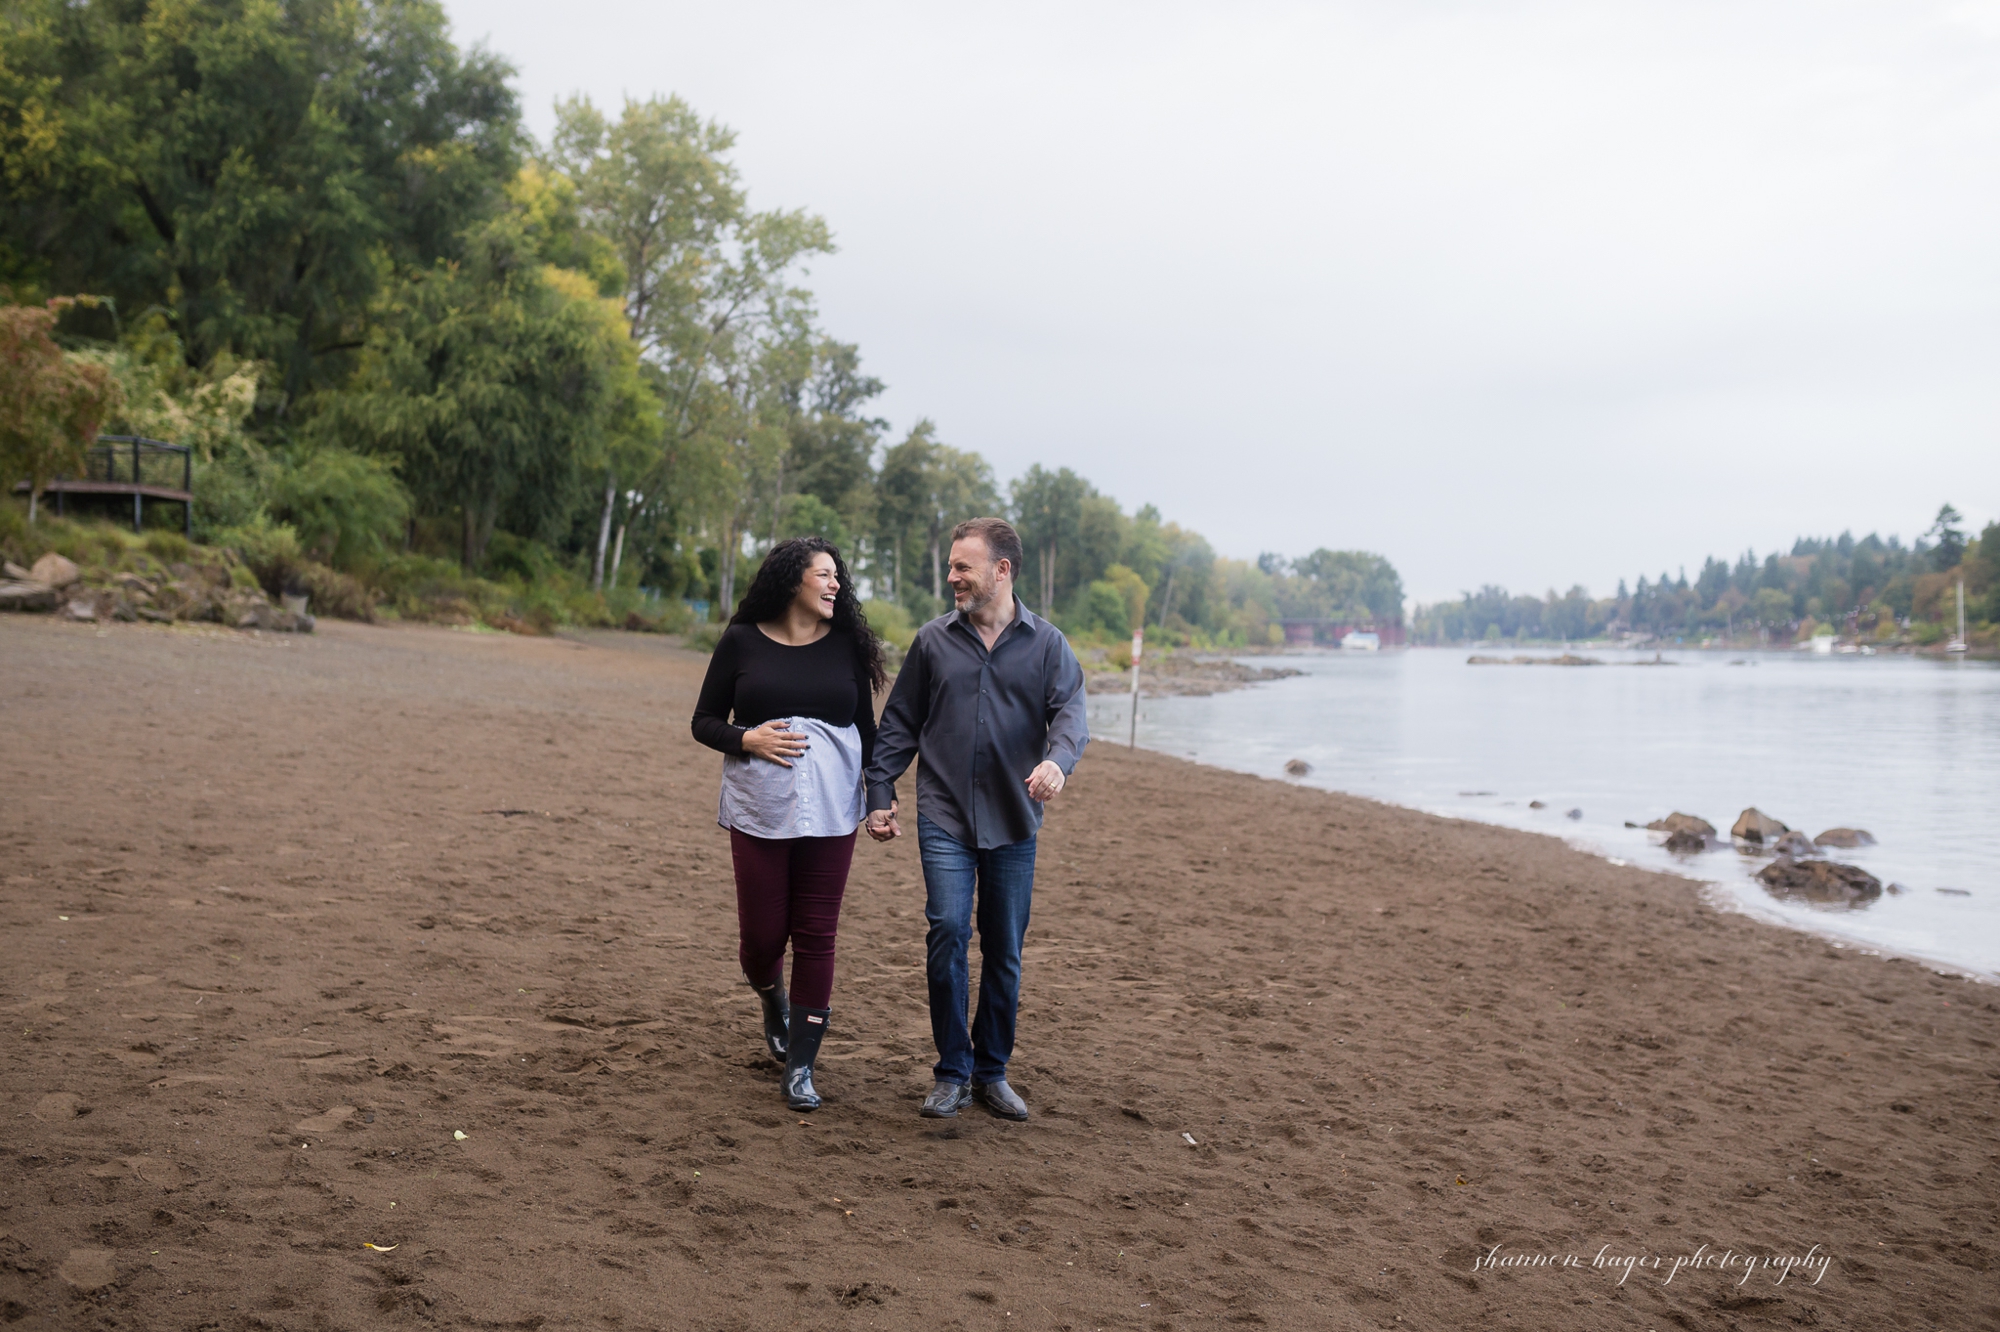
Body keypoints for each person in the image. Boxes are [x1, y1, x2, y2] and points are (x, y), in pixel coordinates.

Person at [863, 517, 1088, 1122]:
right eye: (952, 566)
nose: (952, 577)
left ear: (1001, 570)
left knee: (1005, 948)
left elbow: (1071, 714)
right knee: (946, 932)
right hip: (944, 814)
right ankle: (952, 1071)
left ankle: (991, 1071)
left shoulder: (1048, 645)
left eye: (963, 566)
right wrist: (879, 792)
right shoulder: (932, 641)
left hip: (1015, 819)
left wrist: (1057, 761)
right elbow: (900, 723)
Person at [691, 537, 886, 1112]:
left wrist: (882, 797)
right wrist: (745, 738)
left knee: (817, 934)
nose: (835, 585)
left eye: (837, 576)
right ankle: (770, 994)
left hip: (833, 811)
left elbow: (868, 733)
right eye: (824, 575)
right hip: (760, 810)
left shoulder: (847, 645)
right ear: (791, 580)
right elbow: (704, 720)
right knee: (761, 939)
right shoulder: (741, 641)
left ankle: (801, 1065)